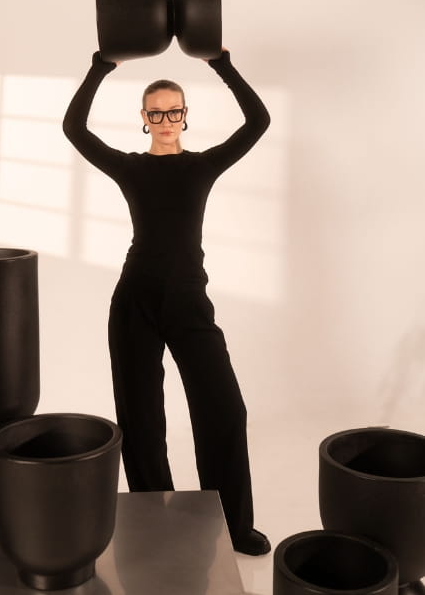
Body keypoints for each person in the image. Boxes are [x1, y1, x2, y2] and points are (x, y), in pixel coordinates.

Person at [63, 47, 271, 555]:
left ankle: (234, 525)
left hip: (189, 305)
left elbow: (258, 121)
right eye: (155, 113)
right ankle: (156, 516)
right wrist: (101, 66)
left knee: (225, 410)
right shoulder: (130, 168)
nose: (165, 121)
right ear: (143, 118)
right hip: (134, 303)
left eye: (173, 111)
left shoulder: (202, 166)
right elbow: (74, 129)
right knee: (141, 421)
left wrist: (220, 63)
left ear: (184, 115)